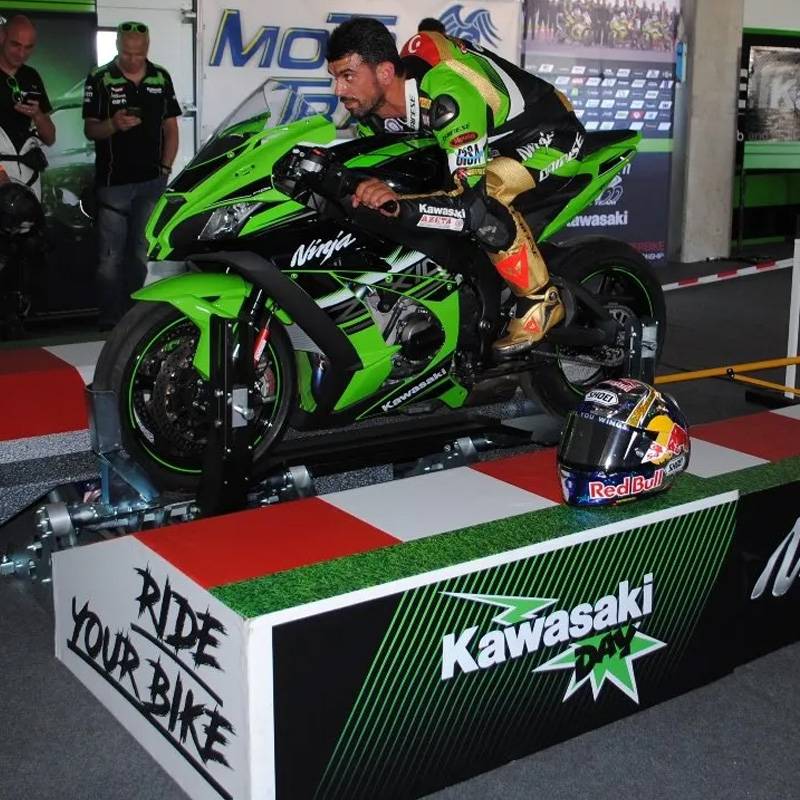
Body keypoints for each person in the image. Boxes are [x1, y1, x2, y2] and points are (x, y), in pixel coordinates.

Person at [326, 18, 586, 356]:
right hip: (490, 143)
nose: (338, 90)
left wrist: (399, 205)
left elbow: (470, 205)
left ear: (386, 73)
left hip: (549, 136)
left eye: (348, 76)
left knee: (485, 202)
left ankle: (540, 300)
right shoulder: (371, 112)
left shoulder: (447, 96)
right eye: (334, 77)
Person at [83, 20, 180, 329]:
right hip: (113, 185)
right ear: (117, 47)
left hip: (152, 182)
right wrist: (113, 124)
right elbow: (90, 130)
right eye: (127, 53)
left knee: (141, 255)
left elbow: (171, 128)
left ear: (147, 48)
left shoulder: (161, 77)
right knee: (109, 259)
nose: (133, 59)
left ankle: (134, 324)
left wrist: (166, 168)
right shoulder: (100, 78)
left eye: (139, 53)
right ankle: (110, 322)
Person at [0, 14, 55, 196]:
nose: (21, 53)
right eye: (16, 45)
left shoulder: (32, 76)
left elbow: (50, 138)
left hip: (28, 177)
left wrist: (37, 115)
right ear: (2, 36)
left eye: (28, 47)